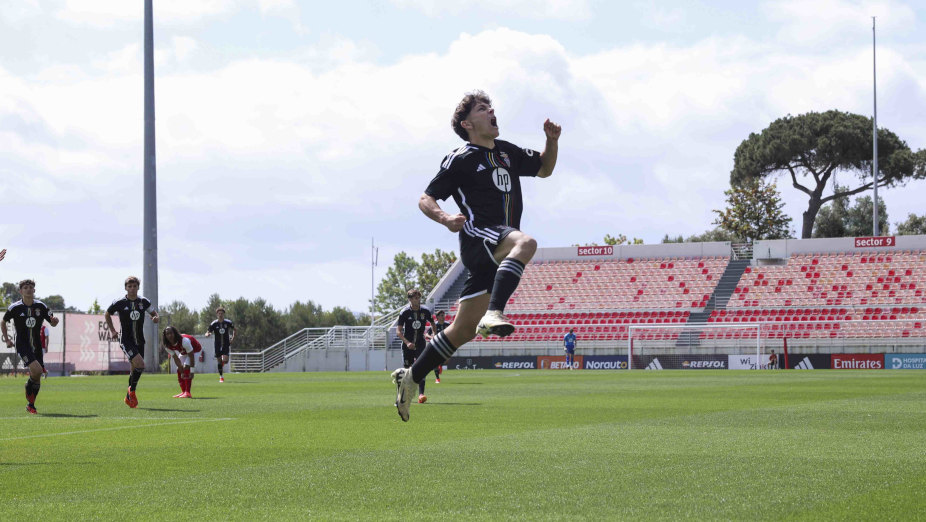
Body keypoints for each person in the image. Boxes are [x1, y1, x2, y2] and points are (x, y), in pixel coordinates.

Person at [392, 90, 561, 421]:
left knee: (462, 330)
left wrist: (551, 141)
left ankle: (409, 379)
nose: (492, 111)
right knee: (525, 244)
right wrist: (445, 218)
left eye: (491, 106)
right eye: (484, 108)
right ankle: (494, 313)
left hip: (497, 243)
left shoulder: (508, 152)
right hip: (479, 237)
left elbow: (544, 169)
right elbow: (426, 198)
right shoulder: (461, 158)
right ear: (468, 124)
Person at [2, 279, 59, 414]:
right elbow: (3, 322)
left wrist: (54, 321)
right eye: (25, 287)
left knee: (36, 375)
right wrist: (7, 339)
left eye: (31, 287)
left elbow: (53, 321)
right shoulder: (15, 307)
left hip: (37, 345)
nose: (28, 289)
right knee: (37, 370)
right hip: (22, 345)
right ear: (20, 291)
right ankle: (29, 391)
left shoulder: (41, 306)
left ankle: (31, 404)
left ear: (34, 290)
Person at [105, 276, 159, 408]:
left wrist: (155, 318)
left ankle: (128, 397)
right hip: (126, 340)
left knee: (135, 368)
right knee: (140, 364)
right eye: (129, 286)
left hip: (139, 340)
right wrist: (112, 330)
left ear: (138, 287)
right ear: (126, 288)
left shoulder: (143, 301)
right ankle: (132, 391)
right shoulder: (119, 302)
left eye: (134, 286)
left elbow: (154, 313)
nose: (132, 289)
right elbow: (107, 313)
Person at [396, 289, 437, 403]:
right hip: (407, 345)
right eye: (415, 298)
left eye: (418, 297)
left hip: (420, 344)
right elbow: (398, 331)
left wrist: (434, 335)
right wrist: (407, 342)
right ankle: (403, 394)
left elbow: (433, 324)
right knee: (407, 369)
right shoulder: (404, 312)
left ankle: (421, 395)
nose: (417, 300)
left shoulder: (425, 311)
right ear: (410, 299)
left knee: (421, 368)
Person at [162, 326, 201, 398]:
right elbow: (176, 358)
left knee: (186, 366)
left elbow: (191, 356)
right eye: (167, 334)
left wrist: (192, 372)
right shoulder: (167, 345)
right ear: (165, 336)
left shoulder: (184, 341)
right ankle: (183, 392)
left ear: (175, 333)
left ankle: (188, 392)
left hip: (195, 351)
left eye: (171, 333)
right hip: (184, 353)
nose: (170, 335)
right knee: (179, 369)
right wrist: (182, 372)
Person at [205, 307, 235, 382]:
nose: (220, 315)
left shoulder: (228, 322)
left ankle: (222, 363)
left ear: (223, 314)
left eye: (222, 313)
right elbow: (208, 331)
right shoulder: (214, 323)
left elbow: (235, 329)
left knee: (225, 360)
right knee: (219, 361)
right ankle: (221, 377)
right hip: (217, 344)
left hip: (226, 344)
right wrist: (207, 334)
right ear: (217, 314)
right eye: (219, 313)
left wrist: (233, 338)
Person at [426, 310, 450, 383]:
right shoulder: (434, 325)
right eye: (441, 315)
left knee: (446, 360)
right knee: (434, 362)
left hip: (445, 345)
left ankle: (440, 364)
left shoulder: (447, 325)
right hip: (436, 345)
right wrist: (431, 337)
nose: (443, 316)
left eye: (444, 315)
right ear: (437, 317)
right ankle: (437, 378)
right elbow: (426, 334)